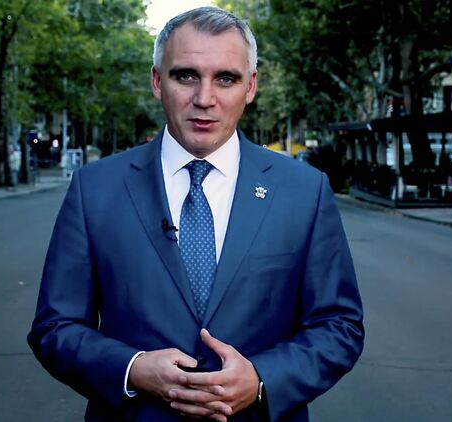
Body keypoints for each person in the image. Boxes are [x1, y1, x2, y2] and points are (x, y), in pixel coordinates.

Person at [28, 7, 364, 421]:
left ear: (251, 86)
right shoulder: (94, 189)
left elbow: (339, 326)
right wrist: (132, 369)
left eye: (226, 78)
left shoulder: (305, 191)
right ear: (157, 81)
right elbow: (54, 327)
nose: (204, 99)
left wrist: (263, 379)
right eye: (186, 76)